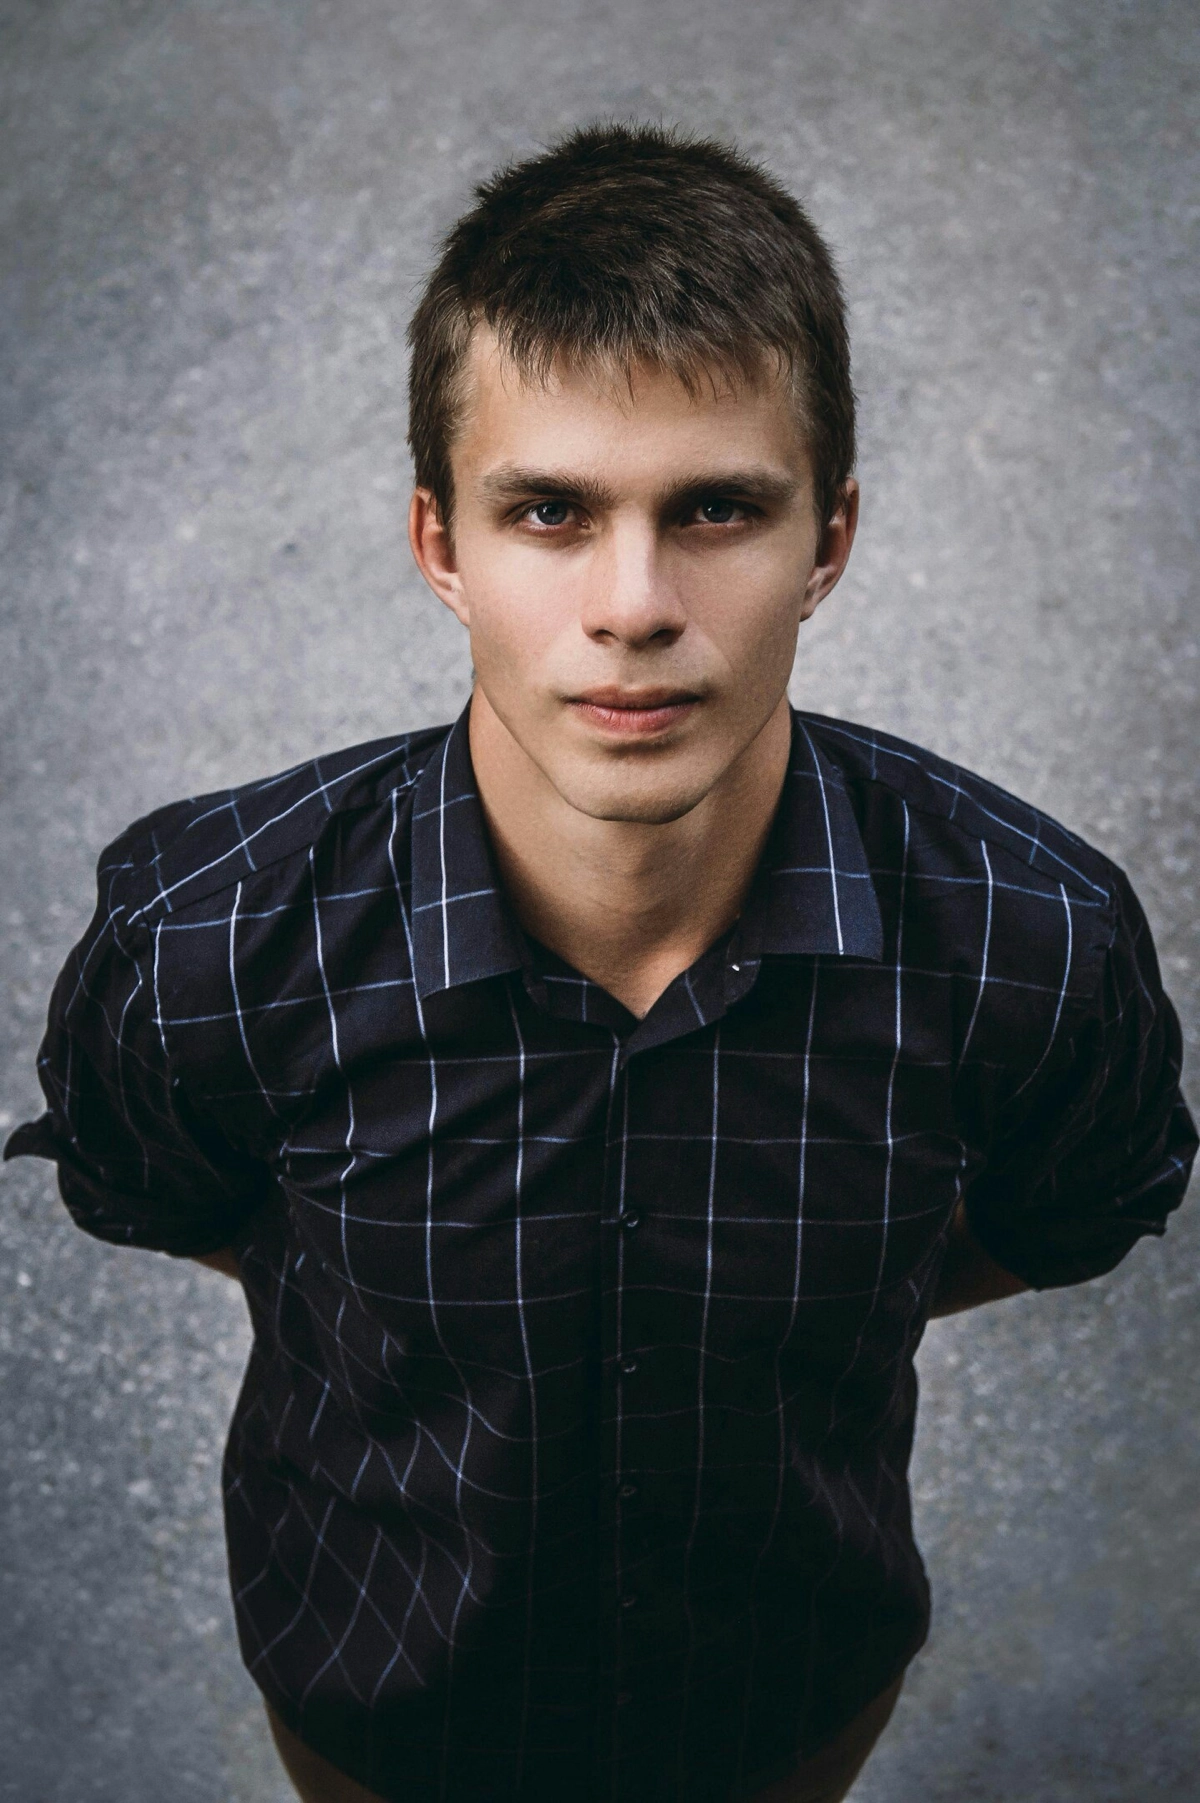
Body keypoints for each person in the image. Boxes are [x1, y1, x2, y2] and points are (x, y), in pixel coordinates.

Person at [6, 122, 1195, 1803]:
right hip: (381, 1694)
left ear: (829, 540)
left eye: (717, 507)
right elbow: (168, 1190)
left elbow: (1070, 1208)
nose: (633, 604)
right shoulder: (206, 938)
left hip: (784, 1698)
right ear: (442, 545)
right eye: (551, 510)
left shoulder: (1034, 940)